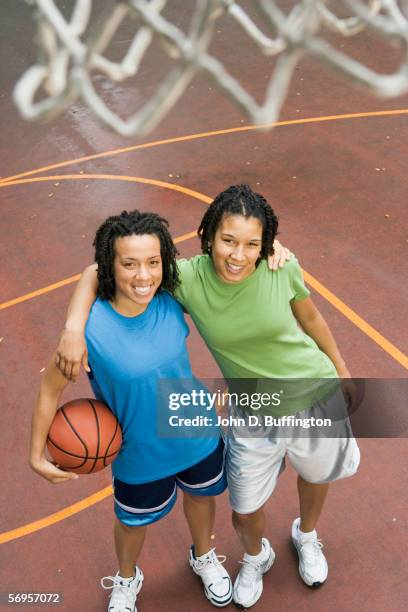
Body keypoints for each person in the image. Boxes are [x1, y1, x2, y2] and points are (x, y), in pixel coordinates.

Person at [55, 185, 360, 609]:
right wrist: (73, 328)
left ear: (265, 244)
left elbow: (310, 316)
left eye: (252, 243)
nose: (238, 255)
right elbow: (98, 270)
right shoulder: (187, 278)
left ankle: (305, 535)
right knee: (244, 504)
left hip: (313, 388)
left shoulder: (279, 267)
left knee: (316, 475)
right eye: (229, 240)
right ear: (208, 235)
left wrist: (341, 370)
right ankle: (256, 556)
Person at [30, 211, 236, 612]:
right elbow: (47, 393)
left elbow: (232, 268)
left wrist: (272, 247)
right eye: (129, 263)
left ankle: (204, 555)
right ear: (111, 265)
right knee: (131, 522)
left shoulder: (172, 298)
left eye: (153, 262)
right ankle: (127, 578)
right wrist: (35, 455)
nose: (143, 275)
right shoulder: (87, 332)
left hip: (197, 433)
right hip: (138, 453)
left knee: (201, 497)